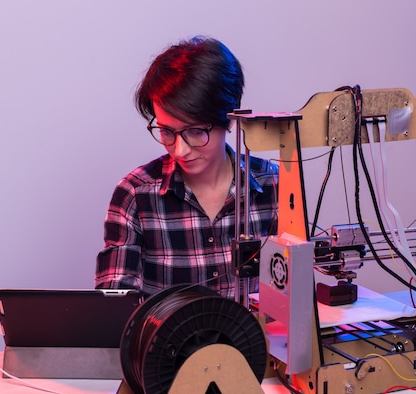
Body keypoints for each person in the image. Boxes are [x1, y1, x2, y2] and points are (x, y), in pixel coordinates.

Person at [95, 36, 278, 299]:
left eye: (194, 131)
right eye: (166, 131)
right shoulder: (134, 194)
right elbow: (112, 309)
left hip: (257, 341)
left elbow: (296, 299)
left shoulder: (276, 187)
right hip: (165, 341)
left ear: (230, 120)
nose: (180, 150)